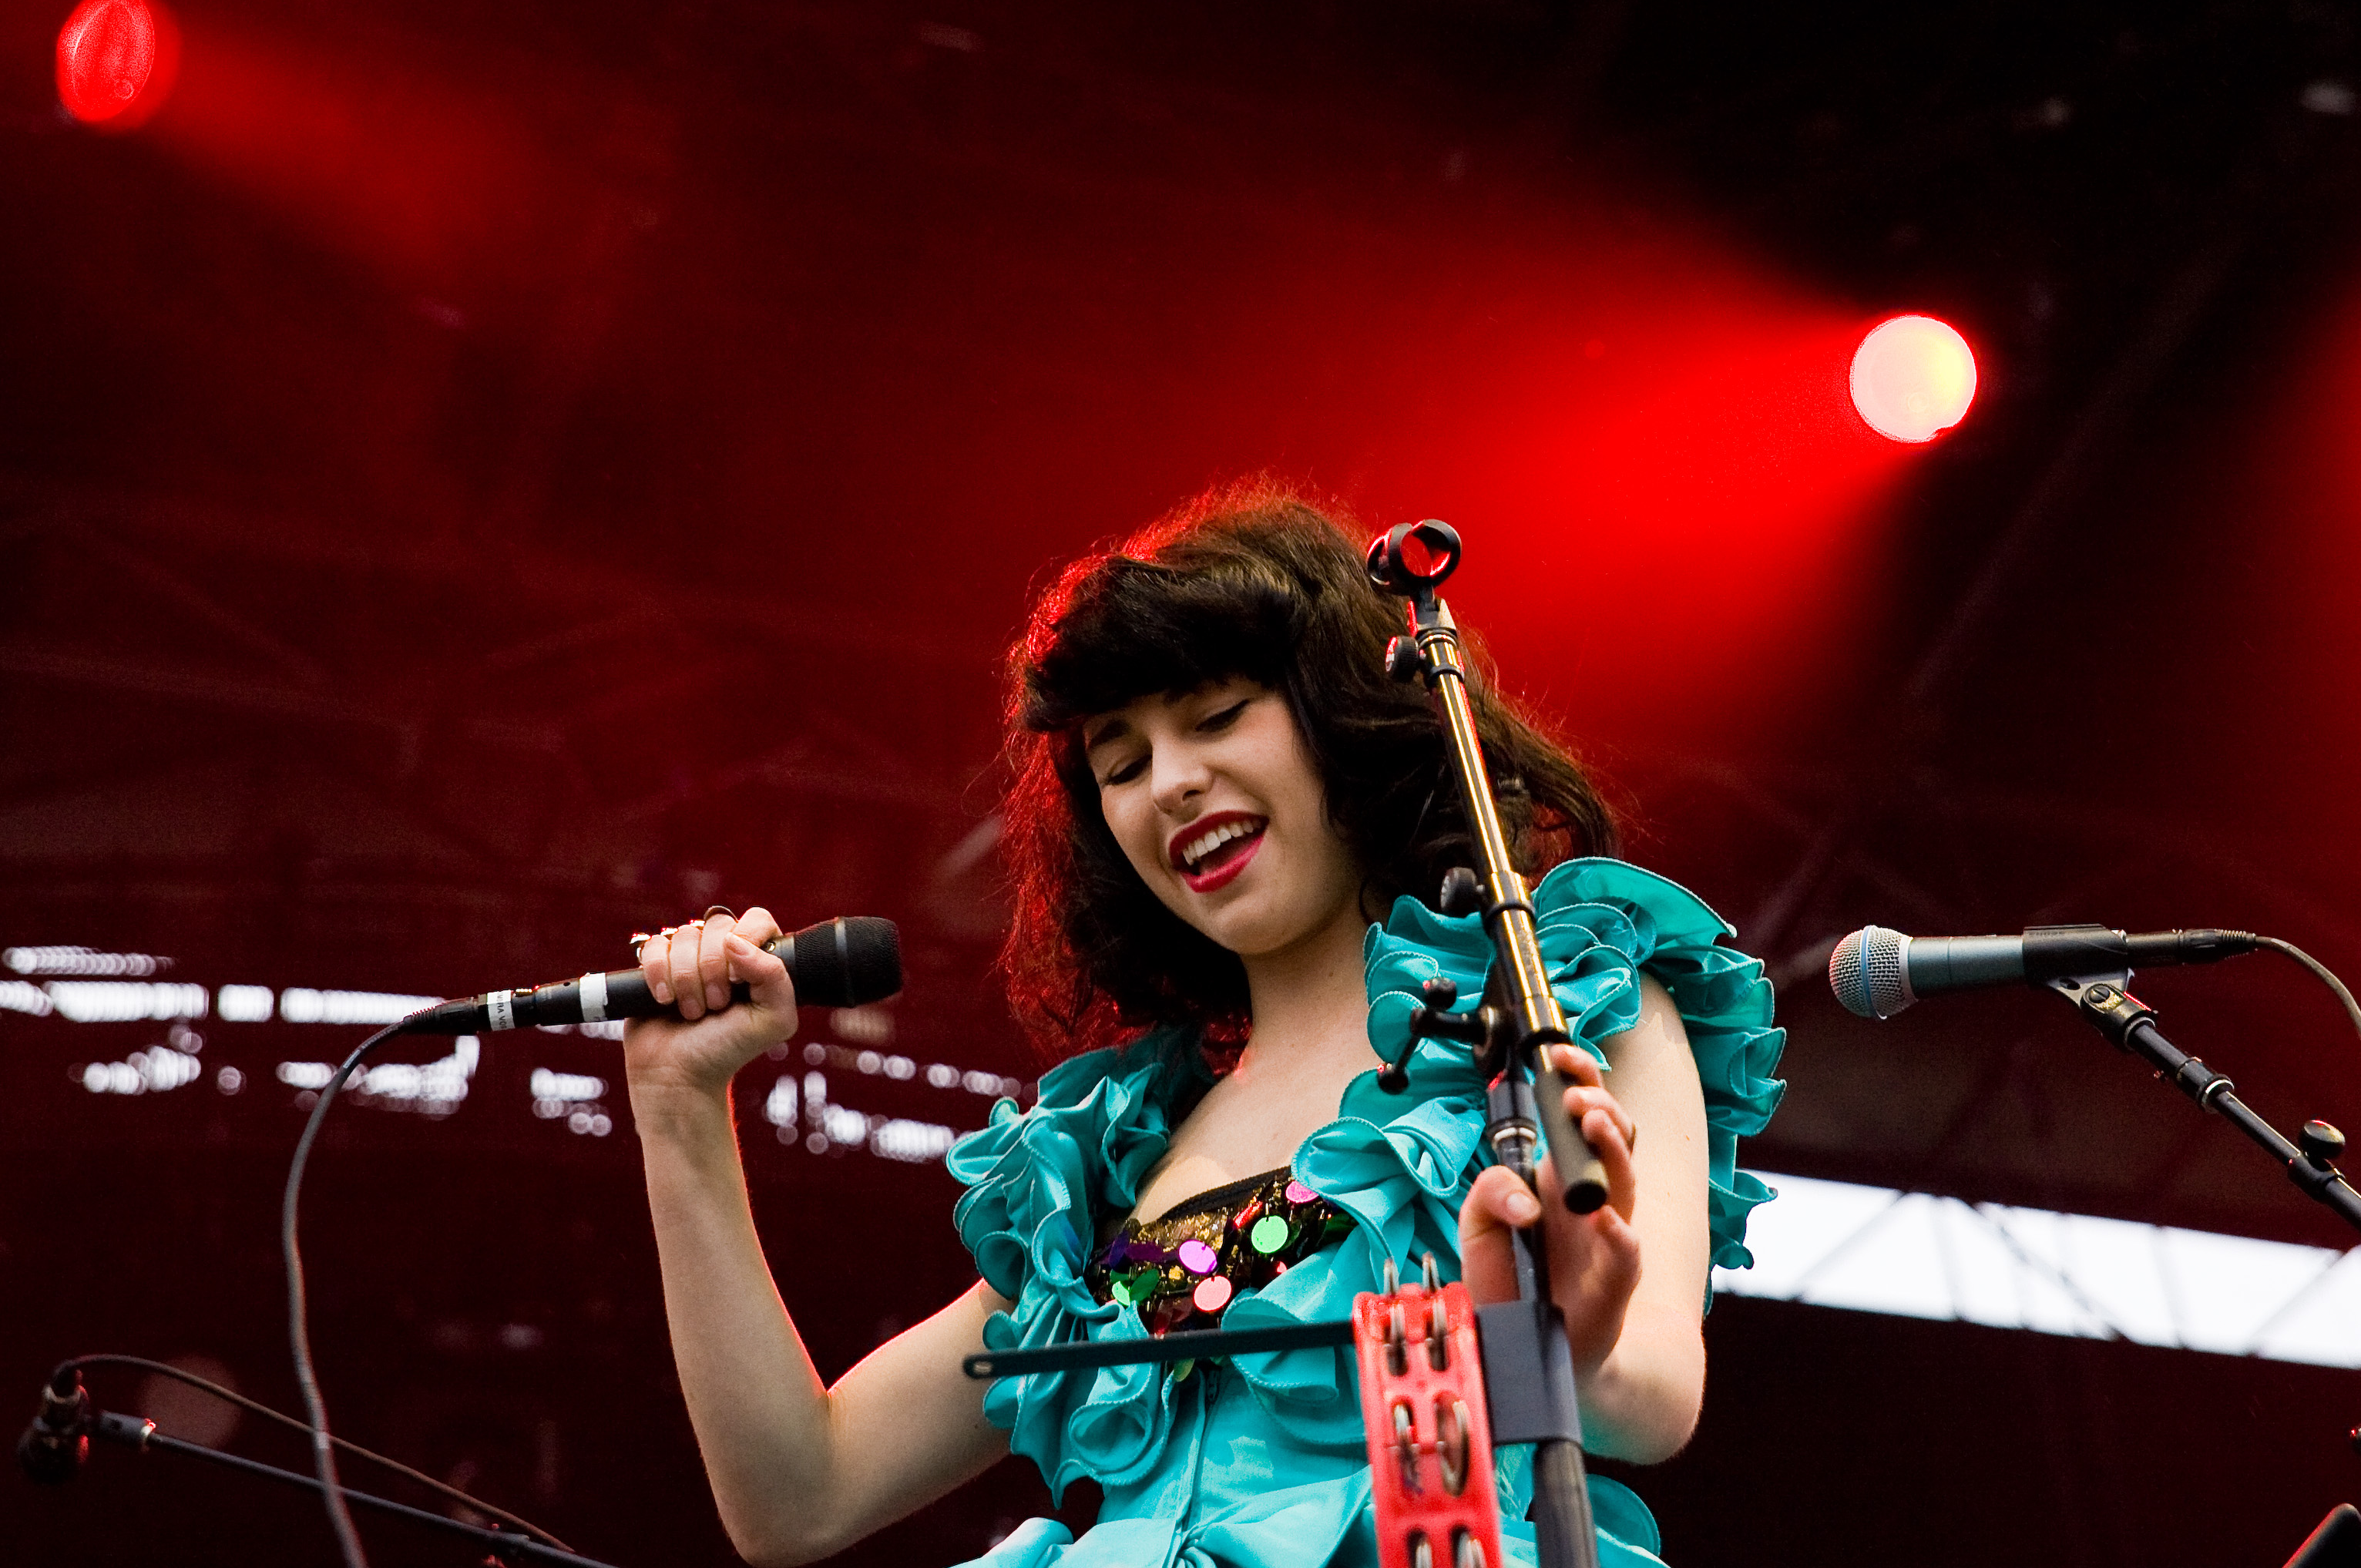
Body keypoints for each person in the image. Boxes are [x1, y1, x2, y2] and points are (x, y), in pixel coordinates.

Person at [620, 482, 1785, 1568]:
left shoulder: (1559, 1004)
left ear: (1347, 712)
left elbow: (1651, 1398)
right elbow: (799, 1493)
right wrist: (679, 1114)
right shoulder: (1108, 1156)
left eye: (1217, 716)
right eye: (1120, 766)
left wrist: (1559, 1344)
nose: (1168, 782)